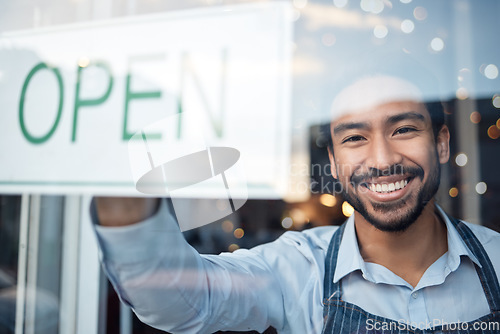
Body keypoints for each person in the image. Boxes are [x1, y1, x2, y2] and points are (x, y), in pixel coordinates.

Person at [92, 74, 500, 334]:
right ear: (336, 164)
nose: (382, 159)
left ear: (442, 144)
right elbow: (182, 301)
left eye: (404, 129)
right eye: (355, 138)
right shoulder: (297, 269)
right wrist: (124, 208)